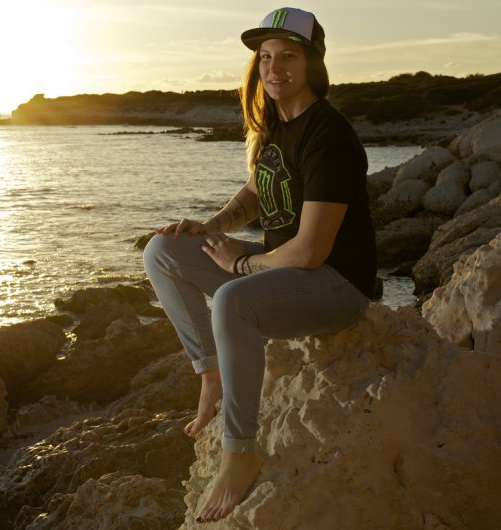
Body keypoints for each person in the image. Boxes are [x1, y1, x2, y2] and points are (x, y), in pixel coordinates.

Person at [143, 7, 377, 524]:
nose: (274, 68)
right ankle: (211, 376)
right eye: (266, 57)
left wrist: (243, 263)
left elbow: (310, 252)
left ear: (313, 63)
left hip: (334, 286)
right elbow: (255, 192)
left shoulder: (328, 135)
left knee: (232, 300)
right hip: (281, 275)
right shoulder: (276, 126)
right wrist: (212, 226)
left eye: (288, 56)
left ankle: (240, 454)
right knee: (163, 250)